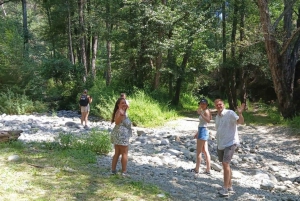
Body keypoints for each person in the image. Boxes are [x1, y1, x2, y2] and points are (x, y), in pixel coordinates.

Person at [214, 99, 245, 196]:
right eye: (217, 105)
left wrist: (240, 113)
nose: (219, 106)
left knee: (225, 163)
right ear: (215, 106)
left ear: (223, 104)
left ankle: (225, 189)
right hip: (221, 143)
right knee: (225, 165)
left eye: (220, 104)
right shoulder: (217, 117)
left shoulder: (230, 113)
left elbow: (240, 122)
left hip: (231, 142)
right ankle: (230, 185)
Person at [110, 97, 132, 176]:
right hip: (121, 135)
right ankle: (124, 171)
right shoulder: (120, 111)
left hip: (118, 134)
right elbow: (117, 122)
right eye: (122, 103)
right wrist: (121, 114)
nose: (124, 104)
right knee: (124, 153)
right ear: (118, 104)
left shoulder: (122, 111)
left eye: (125, 103)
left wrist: (125, 107)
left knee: (117, 153)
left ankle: (113, 170)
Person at [190, 99, 211, 175]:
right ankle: (208, 169)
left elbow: (208, 120)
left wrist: (201, 114)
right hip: (202, 130)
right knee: (205, 150)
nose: (202, 105)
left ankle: (197, 169)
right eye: (201, 103)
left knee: (199, 151)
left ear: (206, 104)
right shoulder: (203, 110)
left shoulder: (206, 111)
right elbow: (203, 123)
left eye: (204, 104)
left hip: (203, 131)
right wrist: (197, 132)